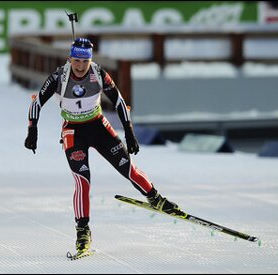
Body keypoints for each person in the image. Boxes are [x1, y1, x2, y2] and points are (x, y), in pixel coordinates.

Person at [24, 38, 179, 255]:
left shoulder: (98, 73)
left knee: (129, 169)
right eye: (76, 60)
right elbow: (37, 102)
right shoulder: (59, 77)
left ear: (90, 60)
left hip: (99, 127)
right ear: (70, 59)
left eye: (84, 61)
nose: (80, 66)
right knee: (82, 182)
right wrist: (33, 130)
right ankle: (82, 231)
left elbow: (119, 101)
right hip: (73, 132)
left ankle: (155, 198)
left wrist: (130, 132)